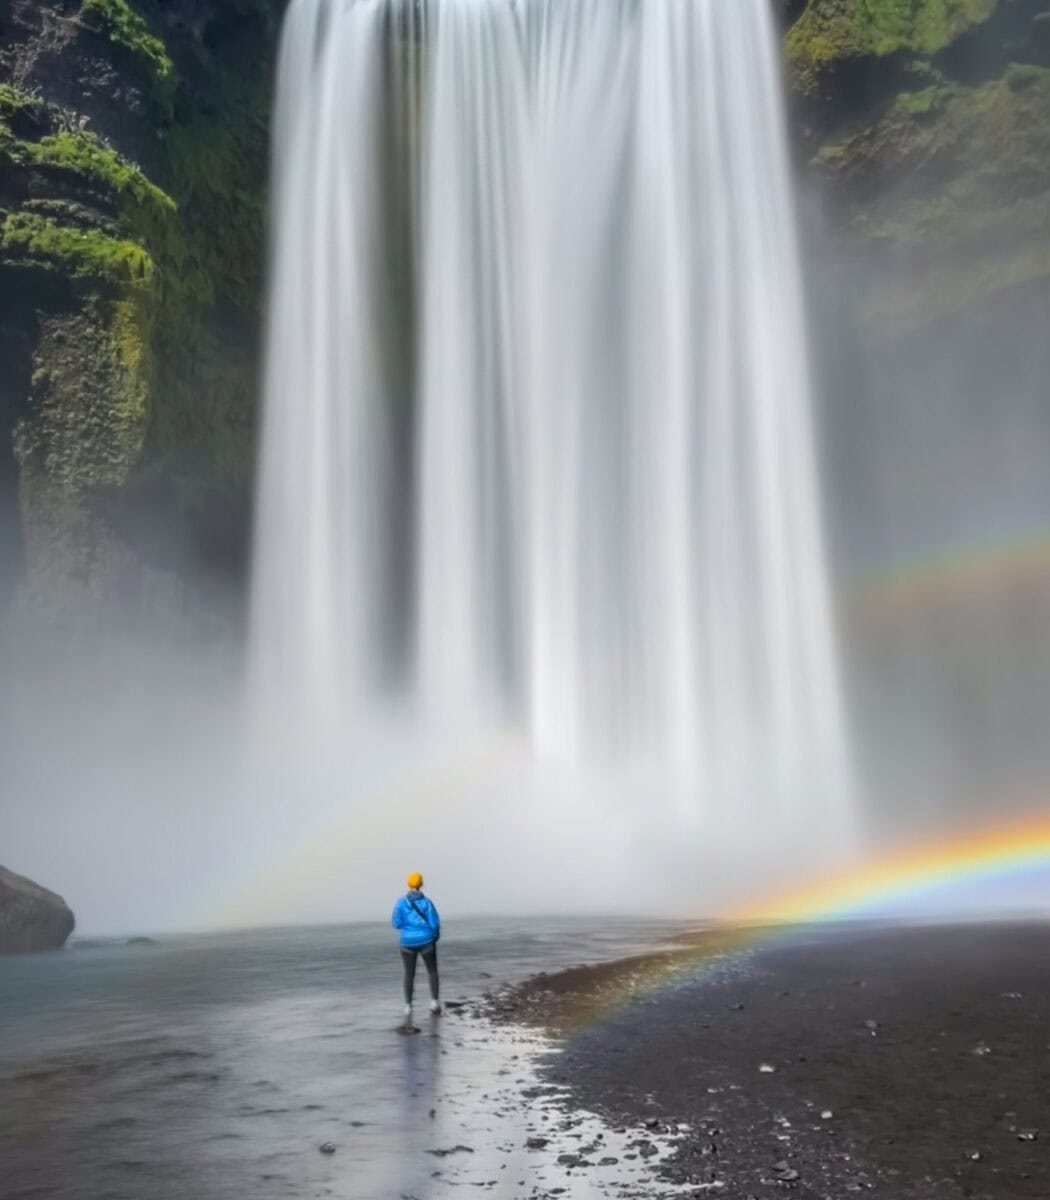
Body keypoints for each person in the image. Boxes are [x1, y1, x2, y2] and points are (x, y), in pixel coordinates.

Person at [391, 872, 441, 1024]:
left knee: (409, 974)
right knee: (432, 971)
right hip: (426, 941)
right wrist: (435, 937)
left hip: (407, 943)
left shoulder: (401, 903)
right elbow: (435, 923)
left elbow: (396, 923)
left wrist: (408, 926)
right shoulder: (427, 902)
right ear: (421, 884)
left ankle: (408, 1006)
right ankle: (434, 1003)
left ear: (408, 884)